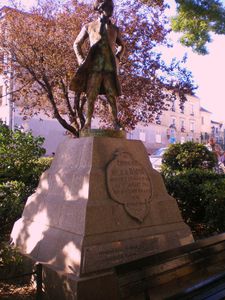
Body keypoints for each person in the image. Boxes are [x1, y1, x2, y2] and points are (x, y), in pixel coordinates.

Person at [70, 0, 125, 130]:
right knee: (91, 95)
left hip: (109, 68)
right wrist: (81, 59)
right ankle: (88, 123)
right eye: (109, 7)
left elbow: (122, 46)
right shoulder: (89, 26)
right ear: (101, 8)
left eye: (112, 7)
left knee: (111, 96)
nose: (112, 9)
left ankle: (116, 123)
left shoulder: (115, 29)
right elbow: (76, 44)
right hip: (94, 67)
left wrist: (117, 58)